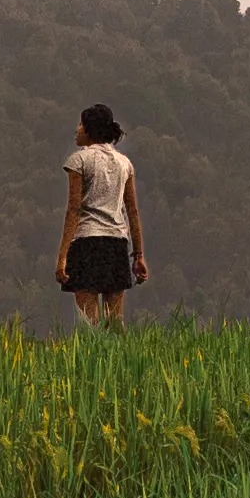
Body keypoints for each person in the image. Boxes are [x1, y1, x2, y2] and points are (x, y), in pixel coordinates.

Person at [57, 100, 148, 330]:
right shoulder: (124, 163)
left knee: (90, 324)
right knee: (115, 323)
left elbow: (74, 209)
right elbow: (132, 210)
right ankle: (121, 364)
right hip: (117, 244)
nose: (77, 130)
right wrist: (138, 255)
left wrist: (62, 256)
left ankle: (92, 363)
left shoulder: (79, 161)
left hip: (87, 243)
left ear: (89, 130)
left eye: (80, 125)